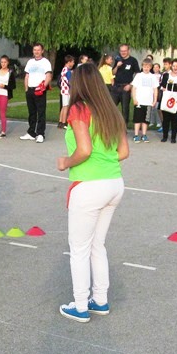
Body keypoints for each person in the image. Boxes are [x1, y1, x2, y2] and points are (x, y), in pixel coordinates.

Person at [56, 63, 129, 322]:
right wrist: (103, 162)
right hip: (114, 183)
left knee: (79, 249)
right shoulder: (111, 111)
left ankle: (80, 305)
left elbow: (84, 150)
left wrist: (66, 162)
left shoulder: (78, 109)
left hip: (89, 185)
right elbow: (123, 152)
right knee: (97, 244)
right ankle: (99, 299)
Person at [20, 43, 53, 143]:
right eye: (35, 50)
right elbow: (26, 76)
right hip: (30, 90)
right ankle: (31, 132)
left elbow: (48, 76)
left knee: (41, 112)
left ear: (42, 51)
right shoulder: (30, 62)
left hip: (40, 90)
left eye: (38, 50)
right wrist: (26, 89)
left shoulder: (45, 62)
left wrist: (43, 87)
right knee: (32, 112)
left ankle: (40, 134)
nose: (36, 52)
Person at [111, 44, 139, 125]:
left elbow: (137, 74)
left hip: (126, 87)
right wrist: (117, 66)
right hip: (116, 87)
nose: (123, 52)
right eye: (121, 51)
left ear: (128, 51)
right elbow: (113, 73)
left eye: (125, 51)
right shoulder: (118, 60)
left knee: (125, 109)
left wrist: (131, 85)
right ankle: (112, 125)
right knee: (111, 106)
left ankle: (124, 127)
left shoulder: (133, 60)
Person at [131, 58, 157, 143]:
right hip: (139, 102)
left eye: (148, 66)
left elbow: (155, 89)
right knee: (137, 119)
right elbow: (134, 88)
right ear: (142, 66)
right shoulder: (138, 76)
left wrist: (155, 100)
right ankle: (136, 135)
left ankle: (144, 134)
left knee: (146, 120)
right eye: (145, 66)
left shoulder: (153, 77)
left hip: (148, 102)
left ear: (151, 67)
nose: (146, 68)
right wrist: (134, 98)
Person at [159, 60, 177, 143]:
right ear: (171, 66)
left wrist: (170, 86)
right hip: (166, 98)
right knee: (166, 119)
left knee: (174, 118)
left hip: (176, 99)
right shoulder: (166, 75)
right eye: (174, 66)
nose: (175, 68)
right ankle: (165, 136)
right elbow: (162, 85)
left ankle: (173, 137)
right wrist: (173, 86)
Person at [0, 55, 15, 138]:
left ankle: (3, 132)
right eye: (2, 62)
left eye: (5, 62)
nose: (3, 64)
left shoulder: (10, 72)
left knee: (2, 113)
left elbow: (13, 85)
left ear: (8, 63)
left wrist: (5, 86)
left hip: (4, 94)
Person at [58, 55, 75, 129]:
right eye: (72, 62)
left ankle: (61, 121)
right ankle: (64, 122)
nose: (73, 63)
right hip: (66, 91)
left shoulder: (64, 70)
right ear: (69, 62)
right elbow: (69, 81)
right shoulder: (67, 71)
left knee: (64, 106)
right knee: (66, 107)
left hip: (63, 90)